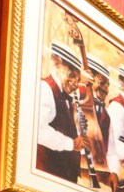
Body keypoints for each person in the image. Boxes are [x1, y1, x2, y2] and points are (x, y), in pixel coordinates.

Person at [36, 41, 89, 183]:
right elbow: (38, 131)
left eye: (78, 79)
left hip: (63, 176)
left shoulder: (66, 98)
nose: (75, 83)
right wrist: (72, 144)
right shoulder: (45, 89)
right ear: (57, 64)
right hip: (47, 176)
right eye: (71, 75)